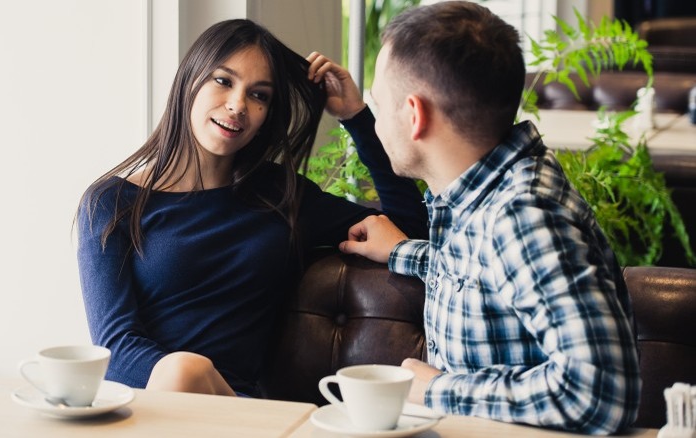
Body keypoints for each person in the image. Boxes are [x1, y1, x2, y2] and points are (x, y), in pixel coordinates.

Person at [76, 19, 426, 398]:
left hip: (240, 411)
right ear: (189, 81)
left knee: (187, 370)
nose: (238, 105)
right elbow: (115, 347)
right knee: (184, 370)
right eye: (223, 81)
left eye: (259, 95)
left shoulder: (281, 196)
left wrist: (355, 117)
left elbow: (408, 224)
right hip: (146, 404)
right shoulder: (110, 202)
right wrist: (181, 377)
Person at [336, 2, 641, 435]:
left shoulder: (521, 215)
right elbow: (484, 272)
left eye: (380, 106)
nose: (378, 121)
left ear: (415, 115)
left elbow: (602, 391)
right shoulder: (483, 196)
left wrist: (439, 389)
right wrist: (406, 252)